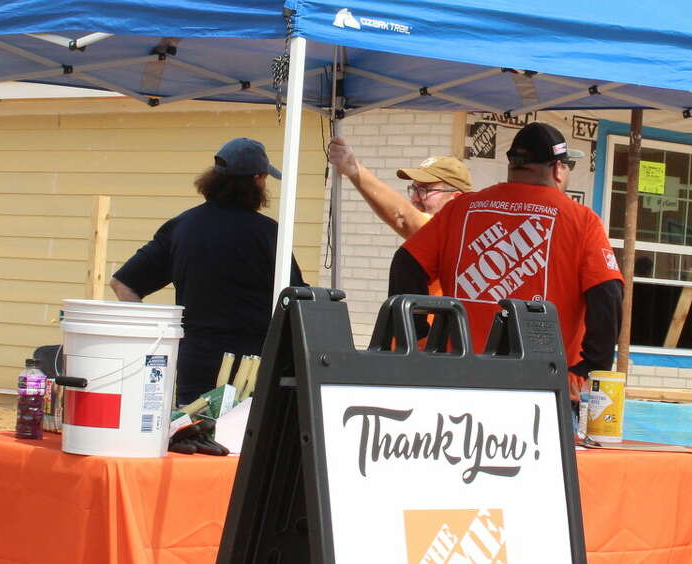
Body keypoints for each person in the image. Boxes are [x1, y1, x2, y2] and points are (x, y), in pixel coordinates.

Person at [390, 122, 622, 392]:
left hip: (461, 377)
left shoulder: (461, 209)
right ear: (558, 170)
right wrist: (590, 369)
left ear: (513, 165)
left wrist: (418, 337)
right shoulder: (581, 220)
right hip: (545, 386)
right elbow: (608, 293)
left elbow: (406, 263)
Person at [111, 137, 306, 406]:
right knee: (243, 446)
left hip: (196, 364)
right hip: (252, 368)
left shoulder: (182, 227)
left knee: (194, 442)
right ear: (258, 179)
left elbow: (122, 284)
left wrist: (156, 338)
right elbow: (298, 302)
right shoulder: (269, 234)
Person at [326, 137, 473, 238]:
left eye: (424, 190)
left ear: (456, 198)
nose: (415, 198)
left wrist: (353, 168)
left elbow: (403, 216)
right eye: (414, 189)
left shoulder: (459, 234)